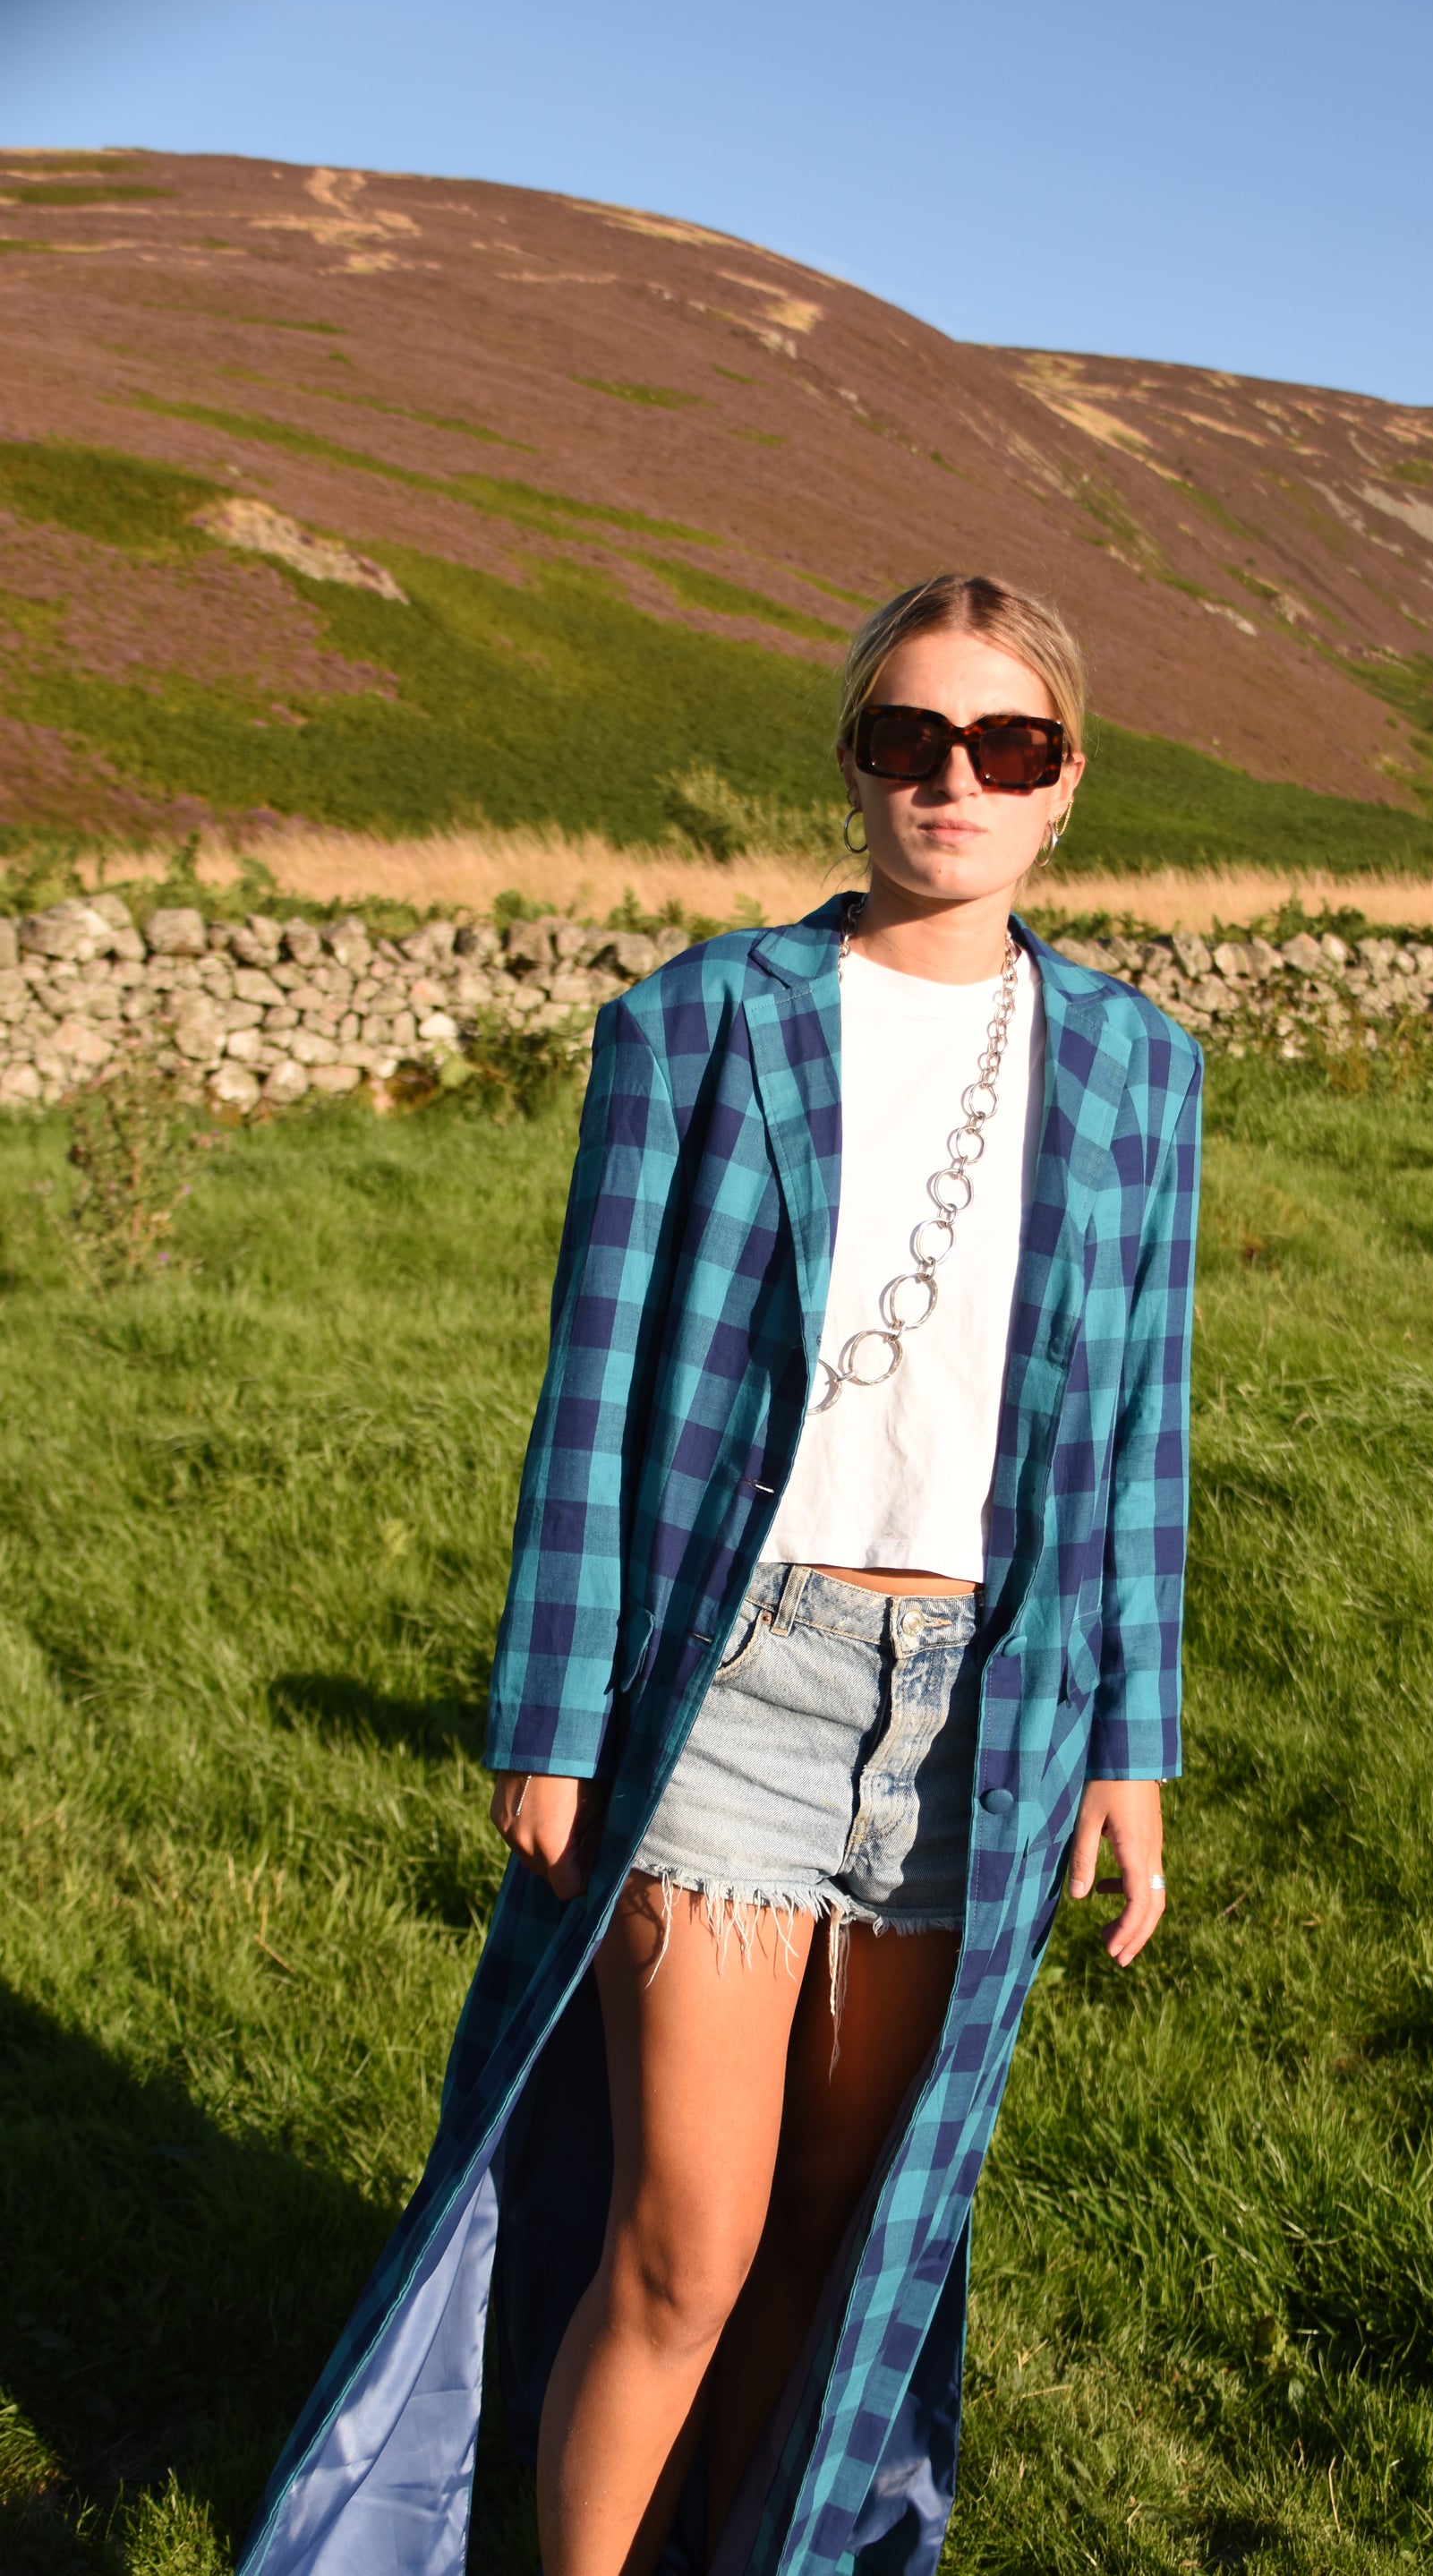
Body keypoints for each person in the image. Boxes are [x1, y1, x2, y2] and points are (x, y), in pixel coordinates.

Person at [239, 573, 1203, 2576]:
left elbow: (1136, 1427)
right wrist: (551, 1715)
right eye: (909, 737)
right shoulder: (696, 1023)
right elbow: (592, 1388)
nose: (954, 779)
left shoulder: (1136, 1068)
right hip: (734, 1685)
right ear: (852, 764)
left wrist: (1131, 1743)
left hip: (980, 1712)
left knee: (834, 2242)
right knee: (689, 2236)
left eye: (1004, 745)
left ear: (1063, 785)